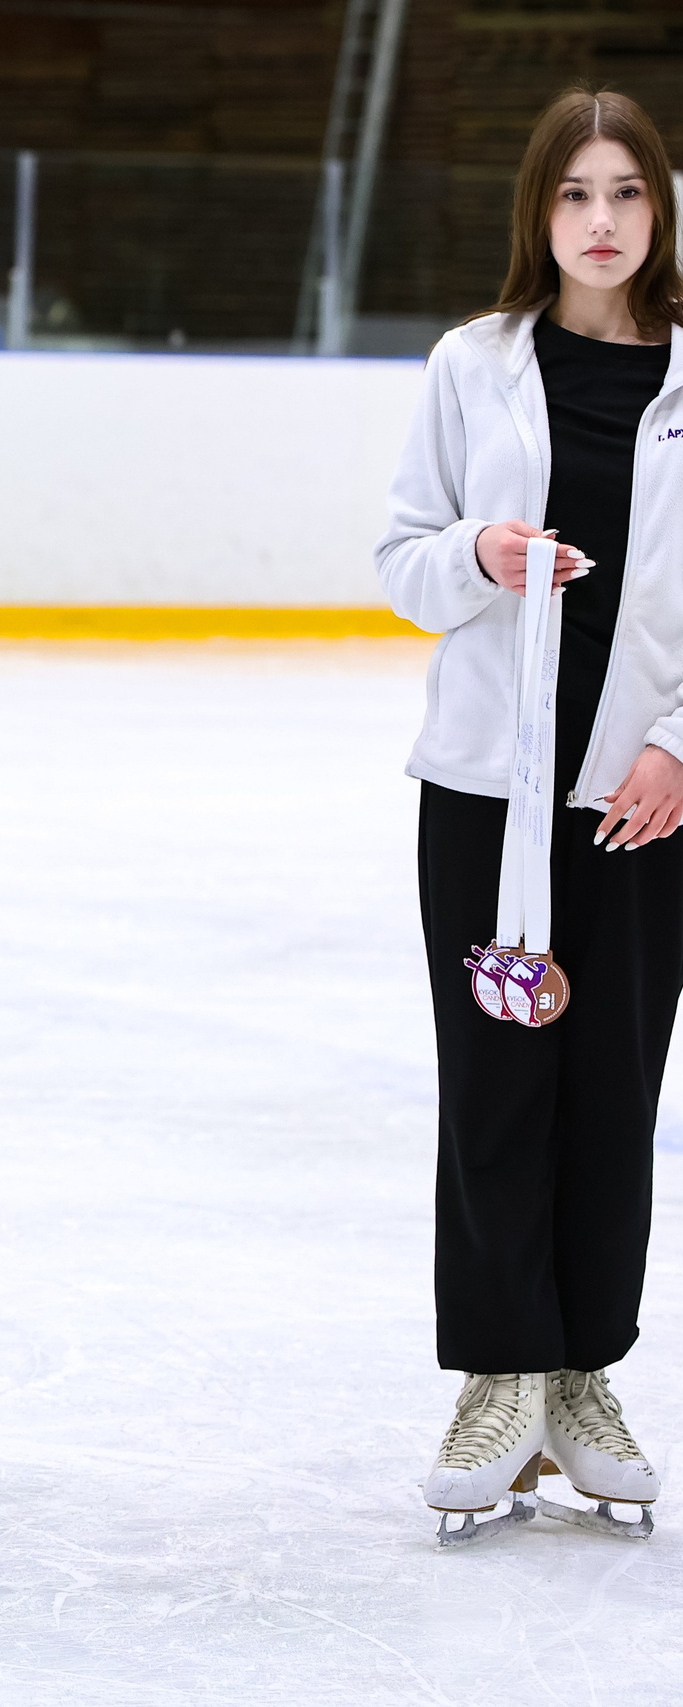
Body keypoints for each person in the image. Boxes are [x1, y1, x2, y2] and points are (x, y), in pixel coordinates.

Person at [378, 86, 679, 1543]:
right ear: (538, 213)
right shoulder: (473, 362)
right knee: (495, 1083)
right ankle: (501, 1370)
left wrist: (677, 744)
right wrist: (476, 554)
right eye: (575, 194)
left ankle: (584, 1373)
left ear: (660, 209)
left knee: (615, 1088)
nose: (601, 221)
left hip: (641, 801)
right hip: (485, 794)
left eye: (626, 192)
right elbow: (400, 559)